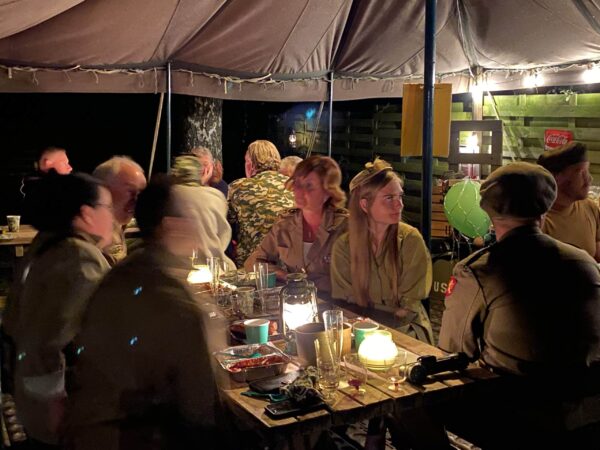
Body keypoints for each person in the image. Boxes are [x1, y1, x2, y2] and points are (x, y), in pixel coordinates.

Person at [439, 162, 600, 448]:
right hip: (585, 413)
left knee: (407, 401)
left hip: (517, 417)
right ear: (545, 210)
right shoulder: (584, 262)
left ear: (490, 214)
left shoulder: (479, 271)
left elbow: (454, 351)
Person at [66, 176, 223, 450]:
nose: (201, 225)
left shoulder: (122, 274)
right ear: (172, 225)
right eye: (193, 216)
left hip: (86, 428)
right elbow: (200, 407)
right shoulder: (174, 300)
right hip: (131, 438)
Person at [3, 172, 113, 446]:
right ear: (87, 214)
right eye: (107, 207)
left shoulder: (43, 245)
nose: (112, 217)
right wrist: (57, 408)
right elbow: (50, 343)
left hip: (30, 398)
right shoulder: (79, 258)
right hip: (63, 412)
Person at [331, 158, 434, 343]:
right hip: (360, 330)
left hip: (405, 332)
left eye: (400, 196)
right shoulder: (344, 246)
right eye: (389, 198)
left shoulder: (410, 239)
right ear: (364, 205)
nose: (399, 205)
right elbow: (345, 303)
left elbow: (407, 308)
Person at [245, 156, 348, 295]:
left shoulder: (345, 227)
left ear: (328, 192)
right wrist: (285, 276)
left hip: (336, 304)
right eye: (297, 184)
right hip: (296, 301)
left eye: (309, 186)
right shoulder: (285, 223)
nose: (299, 191)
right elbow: (254, 262)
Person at [228, 140, 295, 266]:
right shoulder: (293, 185)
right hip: (289, 267)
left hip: (252, 267)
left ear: (250, 164)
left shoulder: (238, 187)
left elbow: (224, 225)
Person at [537, 141, 600, 261]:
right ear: (556, 177)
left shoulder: (590, 208)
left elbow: (597, 255)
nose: (589, 179)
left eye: (588, 171)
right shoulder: (537, 221)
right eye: (581, 172)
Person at [171, 155, 235, 270]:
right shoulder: (216, 196)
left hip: (181, 266)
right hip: (215, 265)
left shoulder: (168, 196)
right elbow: (224, 235)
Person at [92, 156, 147, 265]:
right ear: (103, 189)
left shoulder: (120, 226)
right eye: (130, 191)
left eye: (140, 193)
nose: (136, 199)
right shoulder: (92, 235)